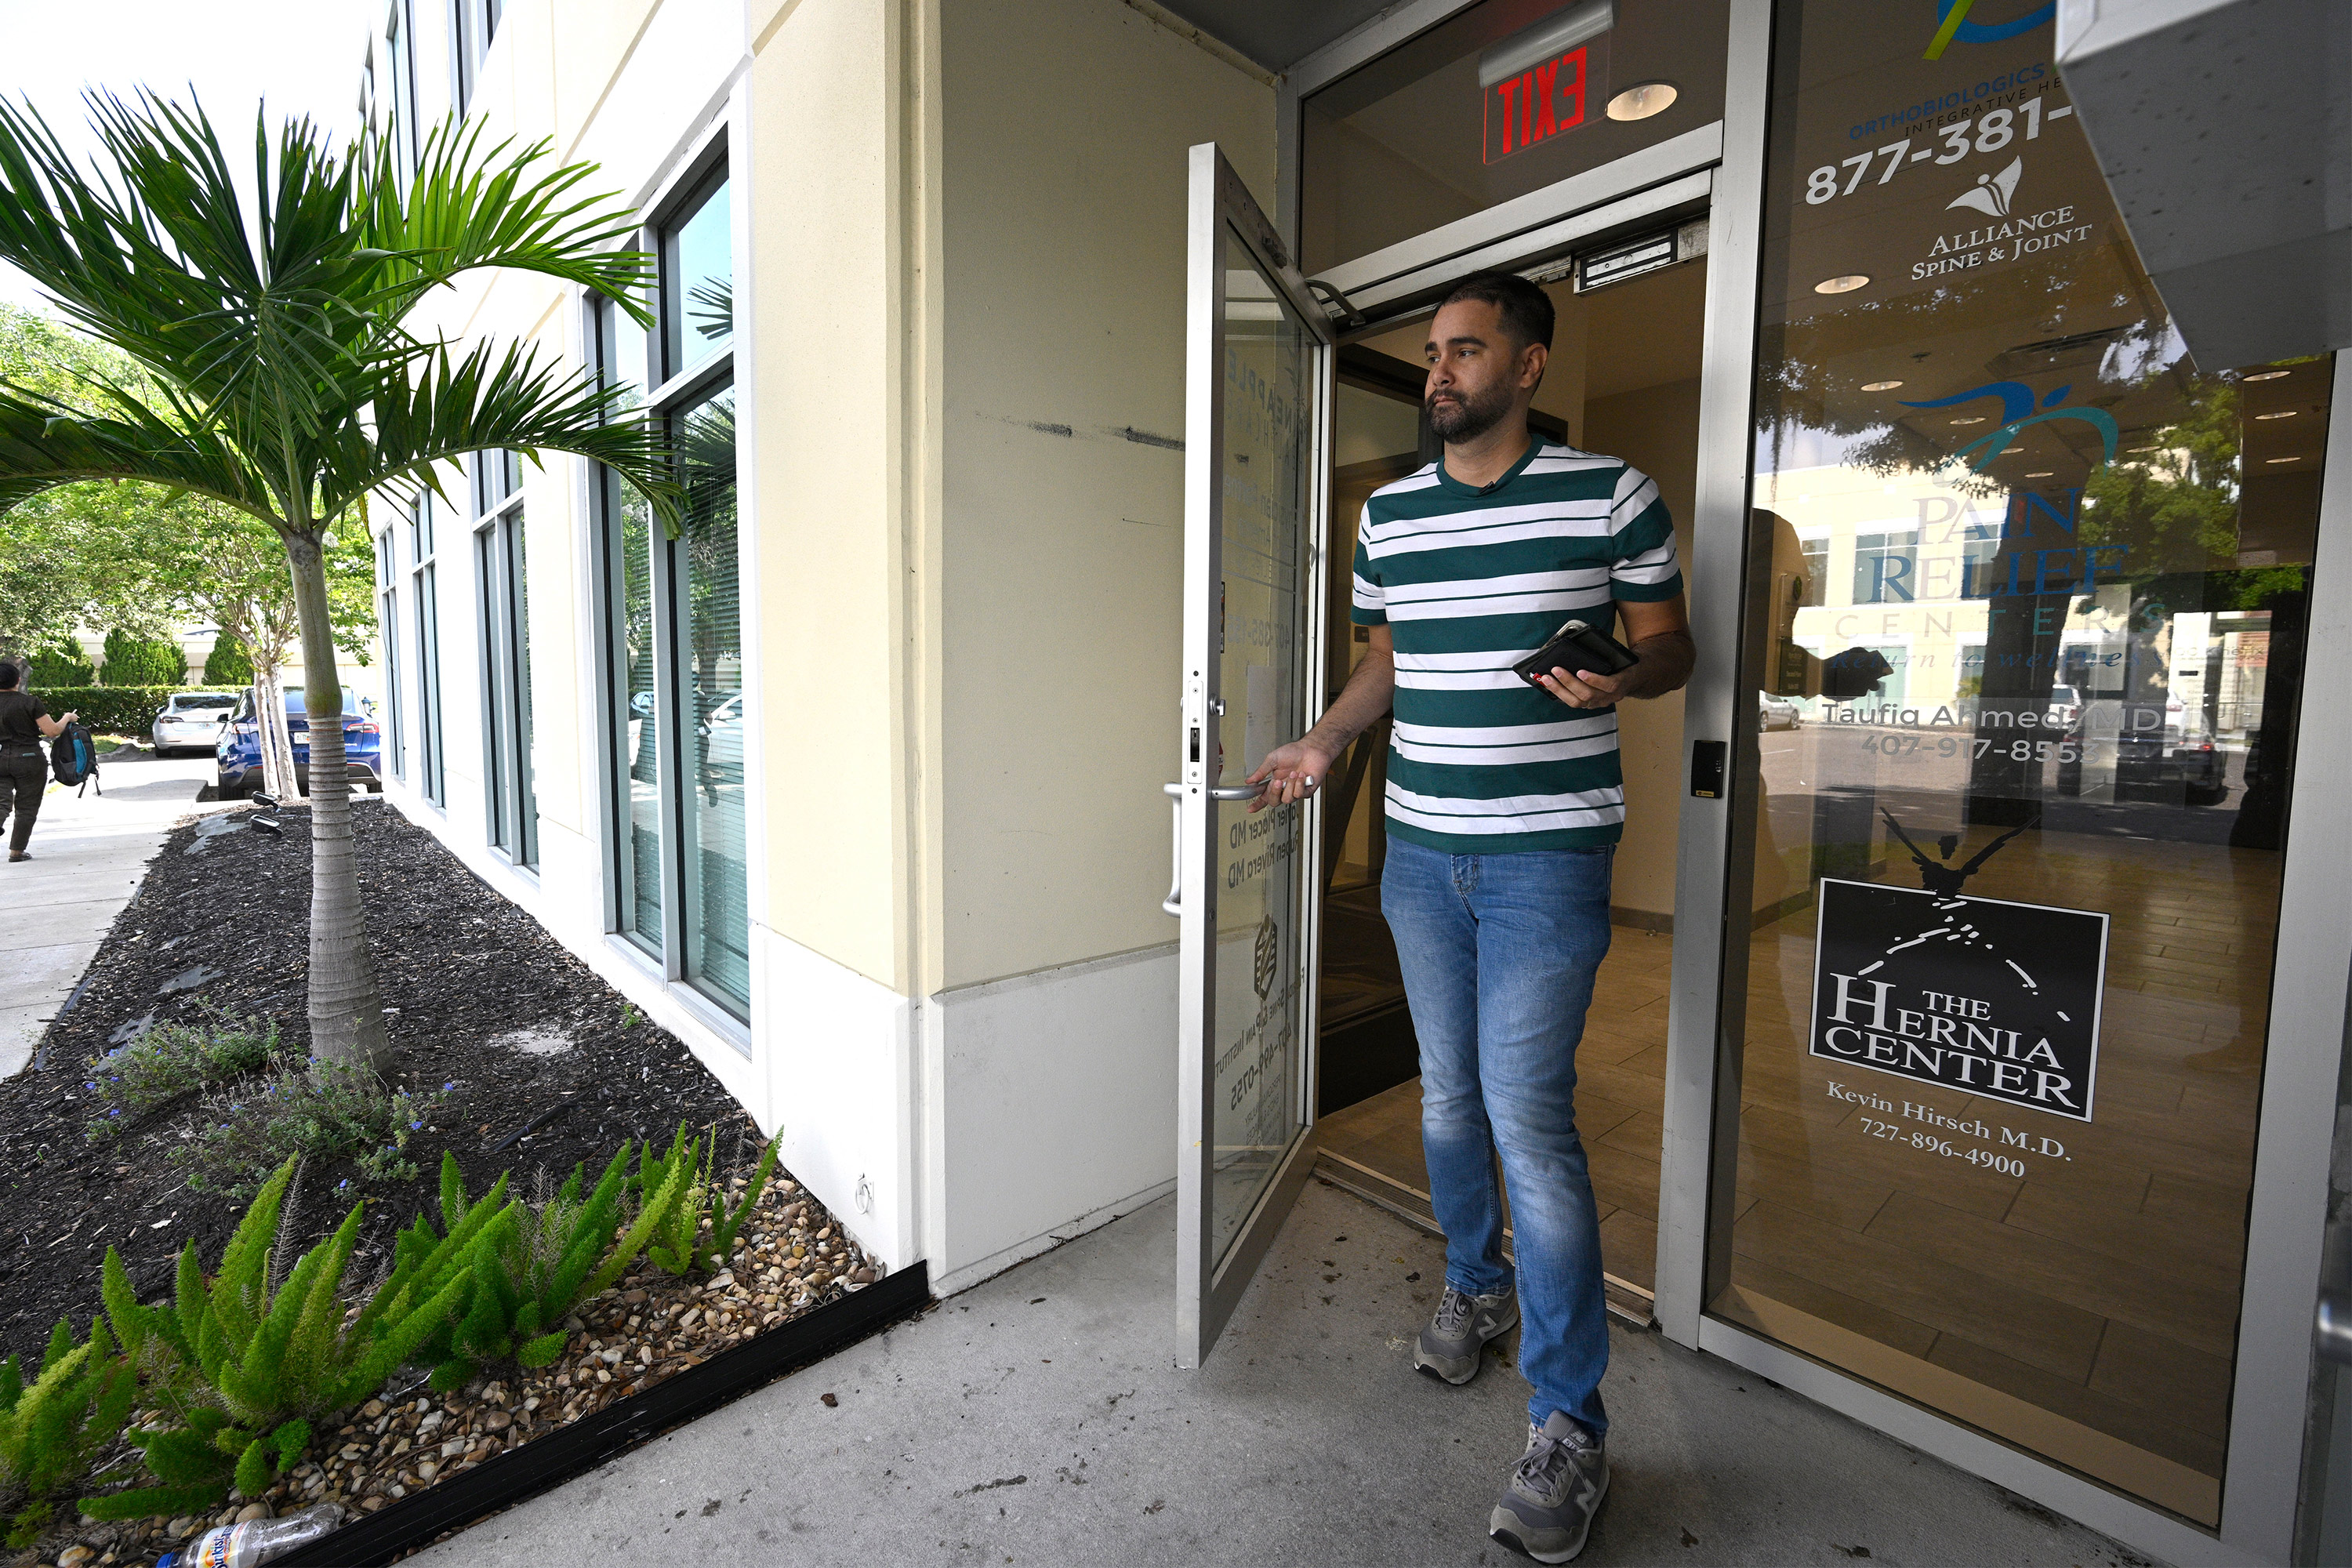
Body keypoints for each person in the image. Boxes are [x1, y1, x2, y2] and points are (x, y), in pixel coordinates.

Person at [1247, 271, 1693, 1564]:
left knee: (1528, 1119)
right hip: (1420, 854)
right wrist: (1327, 740)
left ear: (1529, 366)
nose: (1439, 371)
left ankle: (1570, 1423)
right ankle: (1477, 1284)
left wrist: (1621, 670)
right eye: (1434, 352)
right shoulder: (1388, 515)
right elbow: (1385, 660)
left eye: (1465, 350)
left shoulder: (1610, 494)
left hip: (1547, 857)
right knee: (1448, 1097)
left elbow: (1673, 646)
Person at [0, 659, 77, 862]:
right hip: (29, 758)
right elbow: (52, 731)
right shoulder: (30, 702)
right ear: (18, 680)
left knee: (1, 801)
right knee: (27, 807)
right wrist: (67, 718)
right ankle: (17, 851)